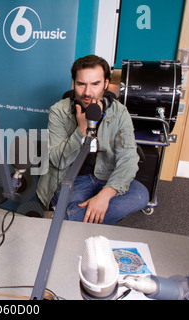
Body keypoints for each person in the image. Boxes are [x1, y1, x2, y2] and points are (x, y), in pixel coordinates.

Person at [37, 55, 149, 224]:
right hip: (72, 178)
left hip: (107, 176)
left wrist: (104, 196)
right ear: (74, 83)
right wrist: (81, 130)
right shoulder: (59, 111)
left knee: (140, 194)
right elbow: (56, 160)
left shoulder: (119, 112)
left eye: (95, 84)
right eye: (81, 84)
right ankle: (75, 217)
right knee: (75, 202)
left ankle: (62, 219)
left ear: (105, 83)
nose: (88, 92)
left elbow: (129, 159)